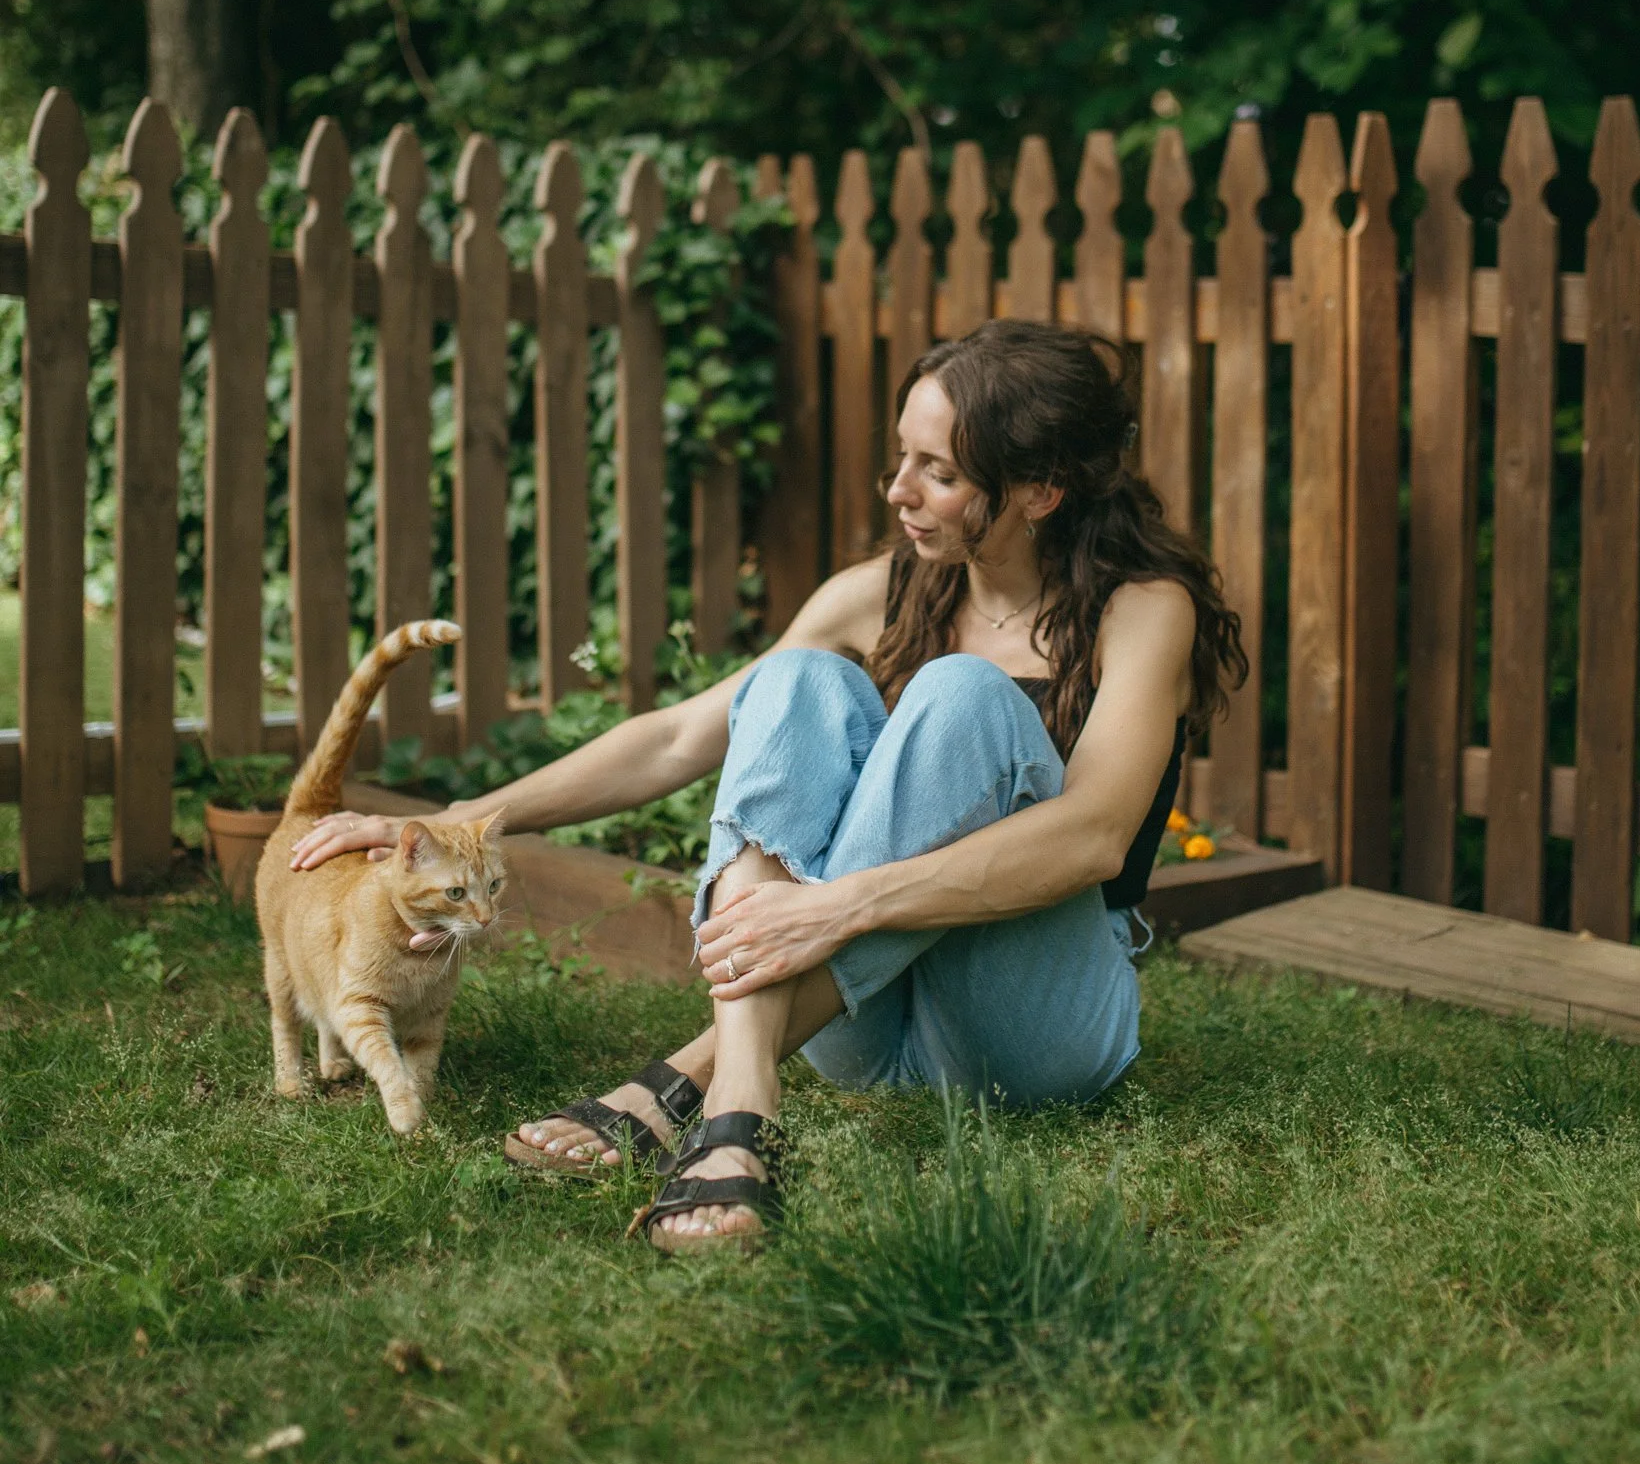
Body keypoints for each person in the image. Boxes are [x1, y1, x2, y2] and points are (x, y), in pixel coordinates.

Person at [292, 320, 1245, 1255]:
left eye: (940, 474)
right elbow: (675, 739)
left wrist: (835, 907)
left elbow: (1093, 837)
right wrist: (456, 820)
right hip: (861, 1037)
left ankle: (691, 1077)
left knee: (962, 696)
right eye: (901, 458)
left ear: (1039, 491)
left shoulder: (1138, 610)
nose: (898, 491)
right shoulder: (876, 593)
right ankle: (743, 1101)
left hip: (1030, 1028)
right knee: (792, 683)